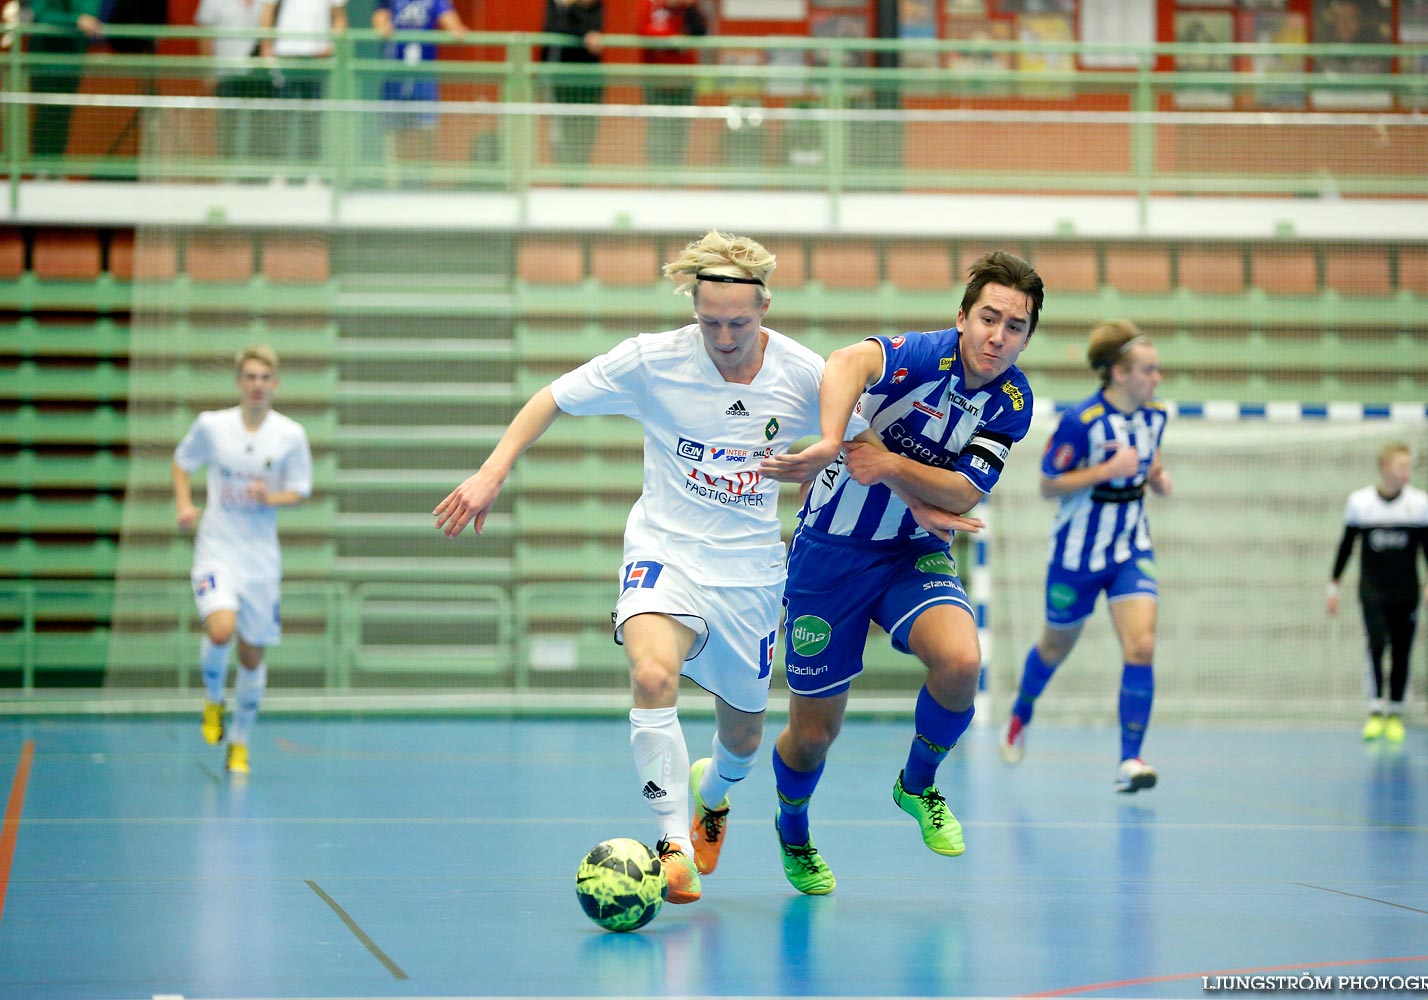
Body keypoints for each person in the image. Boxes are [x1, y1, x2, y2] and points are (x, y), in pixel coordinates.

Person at [434, 231, 832, 909]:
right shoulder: (655, 361)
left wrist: (829, 461)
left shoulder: (804, 374)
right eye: (710, 322)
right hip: (664, 549)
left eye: (739, 322)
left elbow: (863, 440)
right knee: (651, 674)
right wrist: (492, 470)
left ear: (765, 306)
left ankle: (712, 794)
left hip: (751, 573)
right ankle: (673, 846)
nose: (724, 336)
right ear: (693, 306)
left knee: (743, 739)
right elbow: (552, 397)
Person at [758, 250, 1043, 895]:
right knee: (813, 735)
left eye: (1016, 326)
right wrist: (836, 442)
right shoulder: (923, 355)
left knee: (962, 663)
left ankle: (918, 783)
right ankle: (793, 824)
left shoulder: (1012, 400)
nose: (998, 337)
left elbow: (965, 491)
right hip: (830, 555)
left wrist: (890, 467)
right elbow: (846, 362)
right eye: (989, 318)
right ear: (963, 317)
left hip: (914, 551)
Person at [997, 320, 1171, 794]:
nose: (1157, 379)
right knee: (1054, 648)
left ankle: (1130, 760)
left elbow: (1149, 458)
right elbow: (1048, 484)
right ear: (1119, 372)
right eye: (1148, 370)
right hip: (1077, 555)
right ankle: (1021, 714)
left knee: (1141, 647)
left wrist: (1156, 477)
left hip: (1132, 548)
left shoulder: (1156, 416)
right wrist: (1104, 471)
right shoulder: (1081, 421)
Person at [172, 346, 313, 776]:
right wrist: (184, 505)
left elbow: (302, 490)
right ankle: (214, 699)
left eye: (265, 377)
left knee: (251, 656)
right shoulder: (212, 427)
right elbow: (181, 463)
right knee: (221, 629)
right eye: (250, 377)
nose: (257, 385)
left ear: (275, 384)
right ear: (239, 382)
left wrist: (269, 496)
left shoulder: (290, 435)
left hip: (260, 559)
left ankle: (239, 742)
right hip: (217, 549)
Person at [1327, 442, 1428, 743]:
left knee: (1402, 651)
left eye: (1408, 466)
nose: (1406, 472)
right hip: (1373, 590)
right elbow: (1346, 546)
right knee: (1377, 645)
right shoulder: (1361, 503)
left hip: (1406, 591)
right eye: (1401, 466)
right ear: (1385, 468)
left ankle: (1397, 713)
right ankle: (1376, 711)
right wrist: (1333, 584)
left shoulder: (1419, 504)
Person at [373, 0, 468, 187]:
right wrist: (382, 28)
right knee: (393, 130)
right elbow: (379, 20)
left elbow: (452, 23)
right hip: (395, 73)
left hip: (423, 74)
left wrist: (457, 29)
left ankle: (424, 179)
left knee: (428, 127)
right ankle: (393, 182)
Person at [258, 0, 348, 172]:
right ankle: (280, 172)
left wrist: (333, 46)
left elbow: (340, 18)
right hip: (286, 55)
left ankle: (312, 173)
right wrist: (266, 47)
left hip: (316, 57)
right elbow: (267, 10)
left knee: (312, 119)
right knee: (283, 117)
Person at [195, 0, 277, 163]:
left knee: (260, 129)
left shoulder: (268, 3)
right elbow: (204, 37)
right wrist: (209, 73)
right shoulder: (212, 3)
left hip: (259, 76)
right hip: (226, 74)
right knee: (228, 129)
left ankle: (257, 175)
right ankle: (229, 177)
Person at [26, 0, 103, 163]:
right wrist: (75, 21)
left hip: (72, 64)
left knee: (62, 116)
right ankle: (41, 167)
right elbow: (40, 15)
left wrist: (80, 22)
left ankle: (55, 167)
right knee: (45, 115)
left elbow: (90, 18)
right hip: (43, 63)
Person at [634, 0, 706, 166]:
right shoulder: (648, 4)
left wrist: (688, 7)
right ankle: (655, 177)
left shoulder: (690, 8)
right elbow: (644, 32)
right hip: (656, 82)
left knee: (679, 133)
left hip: (684, 81)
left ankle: (674, 179)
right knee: (657, 131)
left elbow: (700, 32)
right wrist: (673, 40)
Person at [542, 0, 605, 169]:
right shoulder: (558, 4)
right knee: (561, 131)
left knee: (586, 131)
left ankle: (578, 177)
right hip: (560, 77)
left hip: (589, 78)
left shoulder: (596, 6)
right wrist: (583, 34)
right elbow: (553, 28)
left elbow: (596, 29)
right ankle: (565, 177)